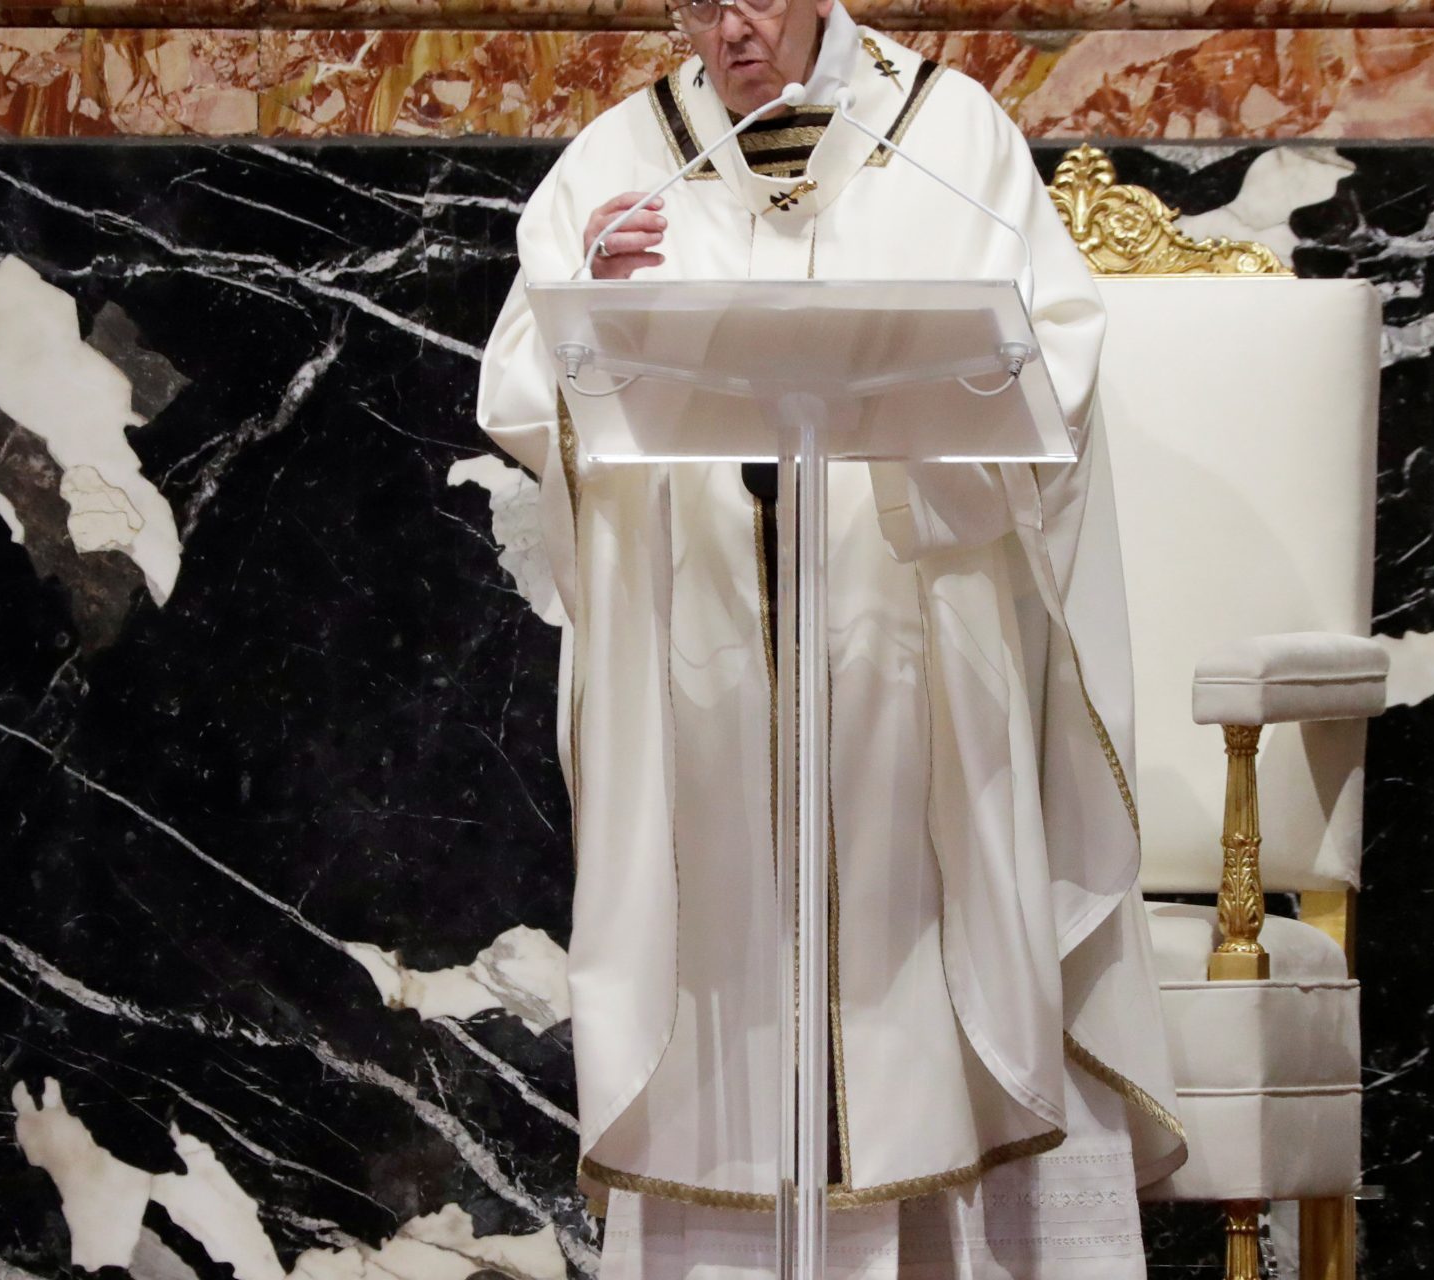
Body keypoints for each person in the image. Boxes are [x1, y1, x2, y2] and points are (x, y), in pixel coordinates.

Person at [474, 0, 1186, 1272]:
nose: (726, 27)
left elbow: (1055, 357)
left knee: (911, 946)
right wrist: (590, 300)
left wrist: (934, 402)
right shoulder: (620, 157)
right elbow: (528, 381)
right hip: (706, 661)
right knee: (725, 968)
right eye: (696, 3)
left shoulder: (946, 137)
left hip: (905, 636)